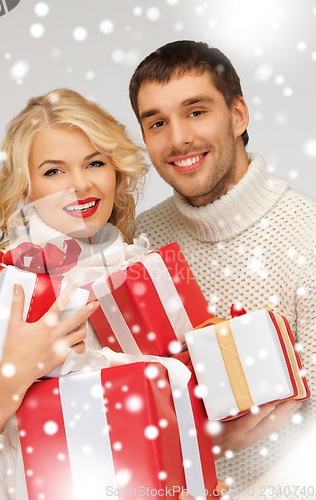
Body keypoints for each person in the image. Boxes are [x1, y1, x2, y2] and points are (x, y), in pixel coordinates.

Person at [0, 88, 148, 498]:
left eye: (94, 163)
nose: (81, 185)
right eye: (54, 171)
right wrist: (17, 372)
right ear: (25, 188)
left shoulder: (138, 273)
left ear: (116, 173)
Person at [129, 40, 316, 494]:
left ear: (238, 116)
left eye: (196, 111)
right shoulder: (138, 242)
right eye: (157, 122)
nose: (178, 139)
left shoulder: (307, 238)